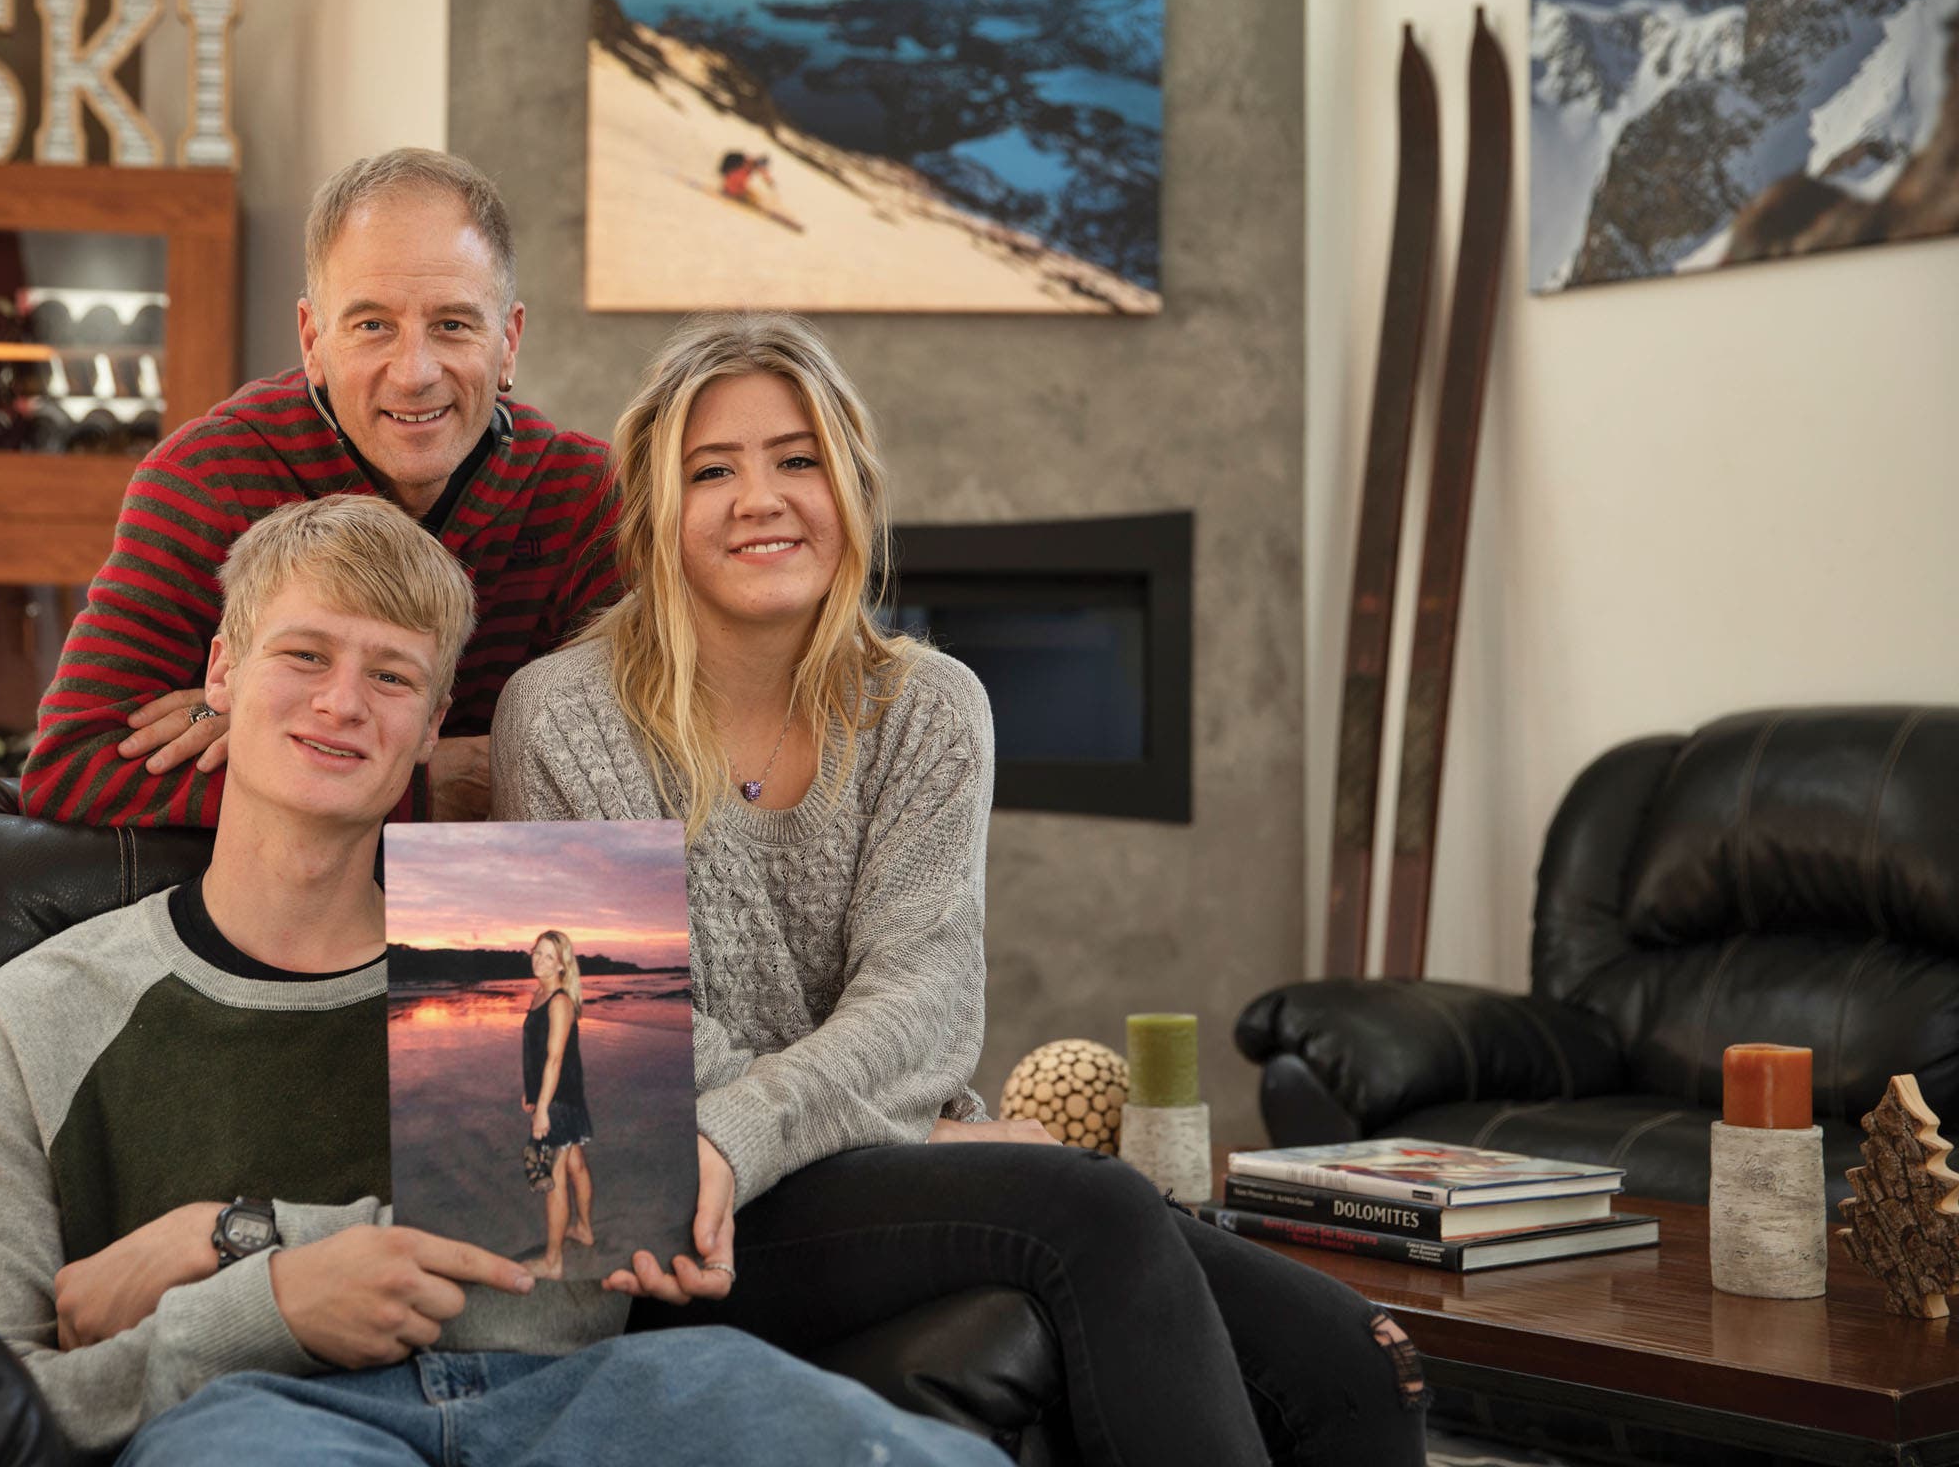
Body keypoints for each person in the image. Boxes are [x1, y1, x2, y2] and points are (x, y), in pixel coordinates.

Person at [491, 312, 1429, 1467]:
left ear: (850, 487)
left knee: (1352, 1361)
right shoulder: (560, 715)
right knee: (1090, 1206)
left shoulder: (929, 706)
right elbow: (628, 1041)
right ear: (653, 511)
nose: (761, 498)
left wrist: (774, 1128)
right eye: (711, 470)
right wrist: (887, 1132)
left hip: (808, 1154)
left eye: (798, 459)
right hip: (669, 1214)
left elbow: (928, 996)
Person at [0, 494, 1003, 1467]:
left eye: (392, 676)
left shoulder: (507, 943)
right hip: (252, 1415)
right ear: (221, 674)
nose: (344, 704)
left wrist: (247, 1237)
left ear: (432, 726)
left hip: (579, 1406)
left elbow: (609, 1246)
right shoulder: (36, 1014)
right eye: (304, 656)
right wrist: (270, 1308)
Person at [18, 147, 621, 831]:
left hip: (495, 915)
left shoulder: (585, 500)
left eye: (453, 324)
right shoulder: (210, 482)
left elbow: (637, 764)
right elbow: (74, 768)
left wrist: (267, 735)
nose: (414, 371)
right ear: (312, 339)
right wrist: (423, 787)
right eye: (372, 326)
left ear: (507, 341)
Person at [521, 928, 596, 1279]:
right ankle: (583, 1229)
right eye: (537, 952)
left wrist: (543, 1110)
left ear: (562, 965)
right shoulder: (540, 994)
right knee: (575, 1165)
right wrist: (531, 1093)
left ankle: (553, 1262)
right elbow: (536, 1055)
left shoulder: (560, 1002)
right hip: (556, 1095)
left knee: (554, 1176)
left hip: (561, 1102)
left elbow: (554, 1059)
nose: (539, 959)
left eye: (549, 956)